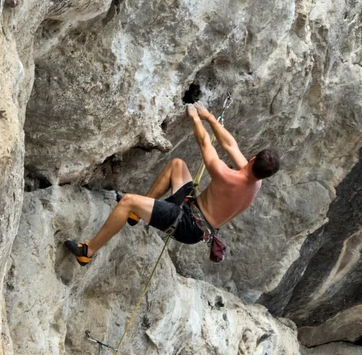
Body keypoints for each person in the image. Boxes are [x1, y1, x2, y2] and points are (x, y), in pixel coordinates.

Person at [64, 102, 280, 265]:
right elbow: (231, 145)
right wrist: (210, 118)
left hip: (188, 225)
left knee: (128, 201)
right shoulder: (254, 182)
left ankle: (88, 252)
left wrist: (196, 118)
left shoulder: (227, 176)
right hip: (193, 211)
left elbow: (205, 142)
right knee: (177, 165)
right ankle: (137, 213)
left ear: (252, 159)